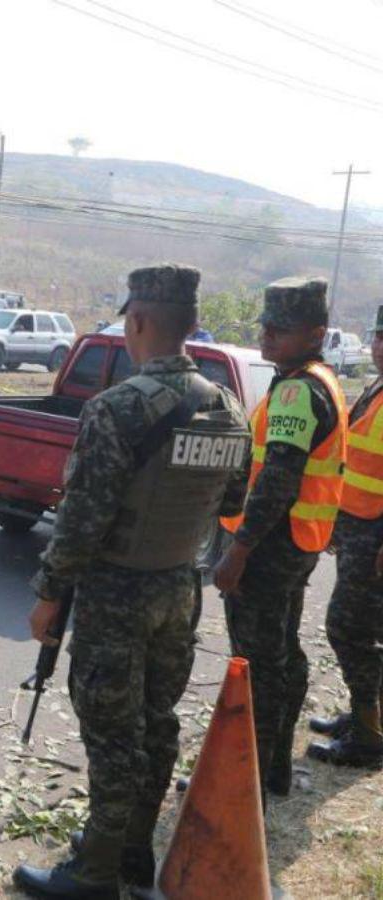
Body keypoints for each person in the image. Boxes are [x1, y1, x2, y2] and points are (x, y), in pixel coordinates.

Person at [15, 264, 250, 900]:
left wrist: (48, 596)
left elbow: (81, 521)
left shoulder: (116, 408)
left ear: (137, 321)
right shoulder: (230, 411)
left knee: (115, 739)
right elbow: (232, 498)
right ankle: (132, 855)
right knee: (157, 724)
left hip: (116, 594)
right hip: (179, 590)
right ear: (193, 326)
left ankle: (93, 876)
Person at [214, 277, 347, 801]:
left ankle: (246, 777)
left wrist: (238, 551)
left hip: (270, 547)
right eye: (266, 326)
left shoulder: (297, 390)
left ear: (316, 332)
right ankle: (272, 772)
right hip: (298, 544)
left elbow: (278, 480)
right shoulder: (317, 379)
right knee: (283, 657)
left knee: (255, 665)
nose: (267, 336)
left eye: (281, 328)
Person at [306, 304, 383, 769]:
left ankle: (370, 737)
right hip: (358, 526)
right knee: (366, 630)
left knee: (348, 629)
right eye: (377, 336)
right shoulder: (375, 387)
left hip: (376, 534)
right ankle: (364, 717)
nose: (379, 345)